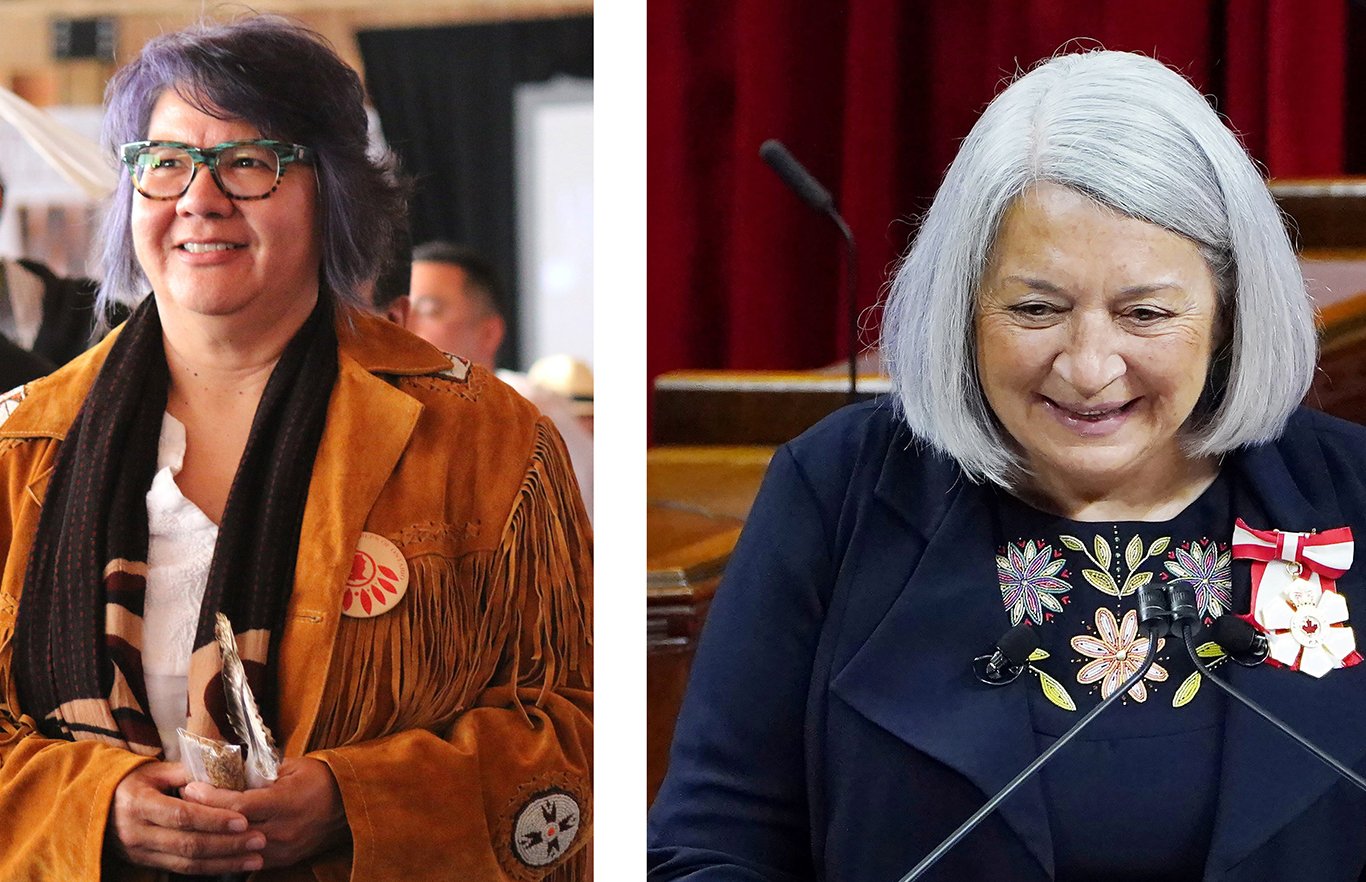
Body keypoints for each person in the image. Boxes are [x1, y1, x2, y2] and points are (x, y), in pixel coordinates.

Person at [648, 49, 1366, 882]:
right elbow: (709, 846)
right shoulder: (836, 492)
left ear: (1229, 311)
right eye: (1036, 309)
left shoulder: (1348, 493)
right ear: (964, 304)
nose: (1090, 366)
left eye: (1145, 313)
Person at [0, 16, 591, 881]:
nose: (199, 199)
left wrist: (359, 803)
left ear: (336, 191)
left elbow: (580, 725)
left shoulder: (487, 438)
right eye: (164, 163)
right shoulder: (23, 444)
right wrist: (95, 806)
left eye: (248, 162)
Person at [384, 240, 594, 519]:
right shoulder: (383, 416)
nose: (405, 326)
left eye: (430, 311)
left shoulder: (528, 419)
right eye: (400, 312)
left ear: (488, 334)